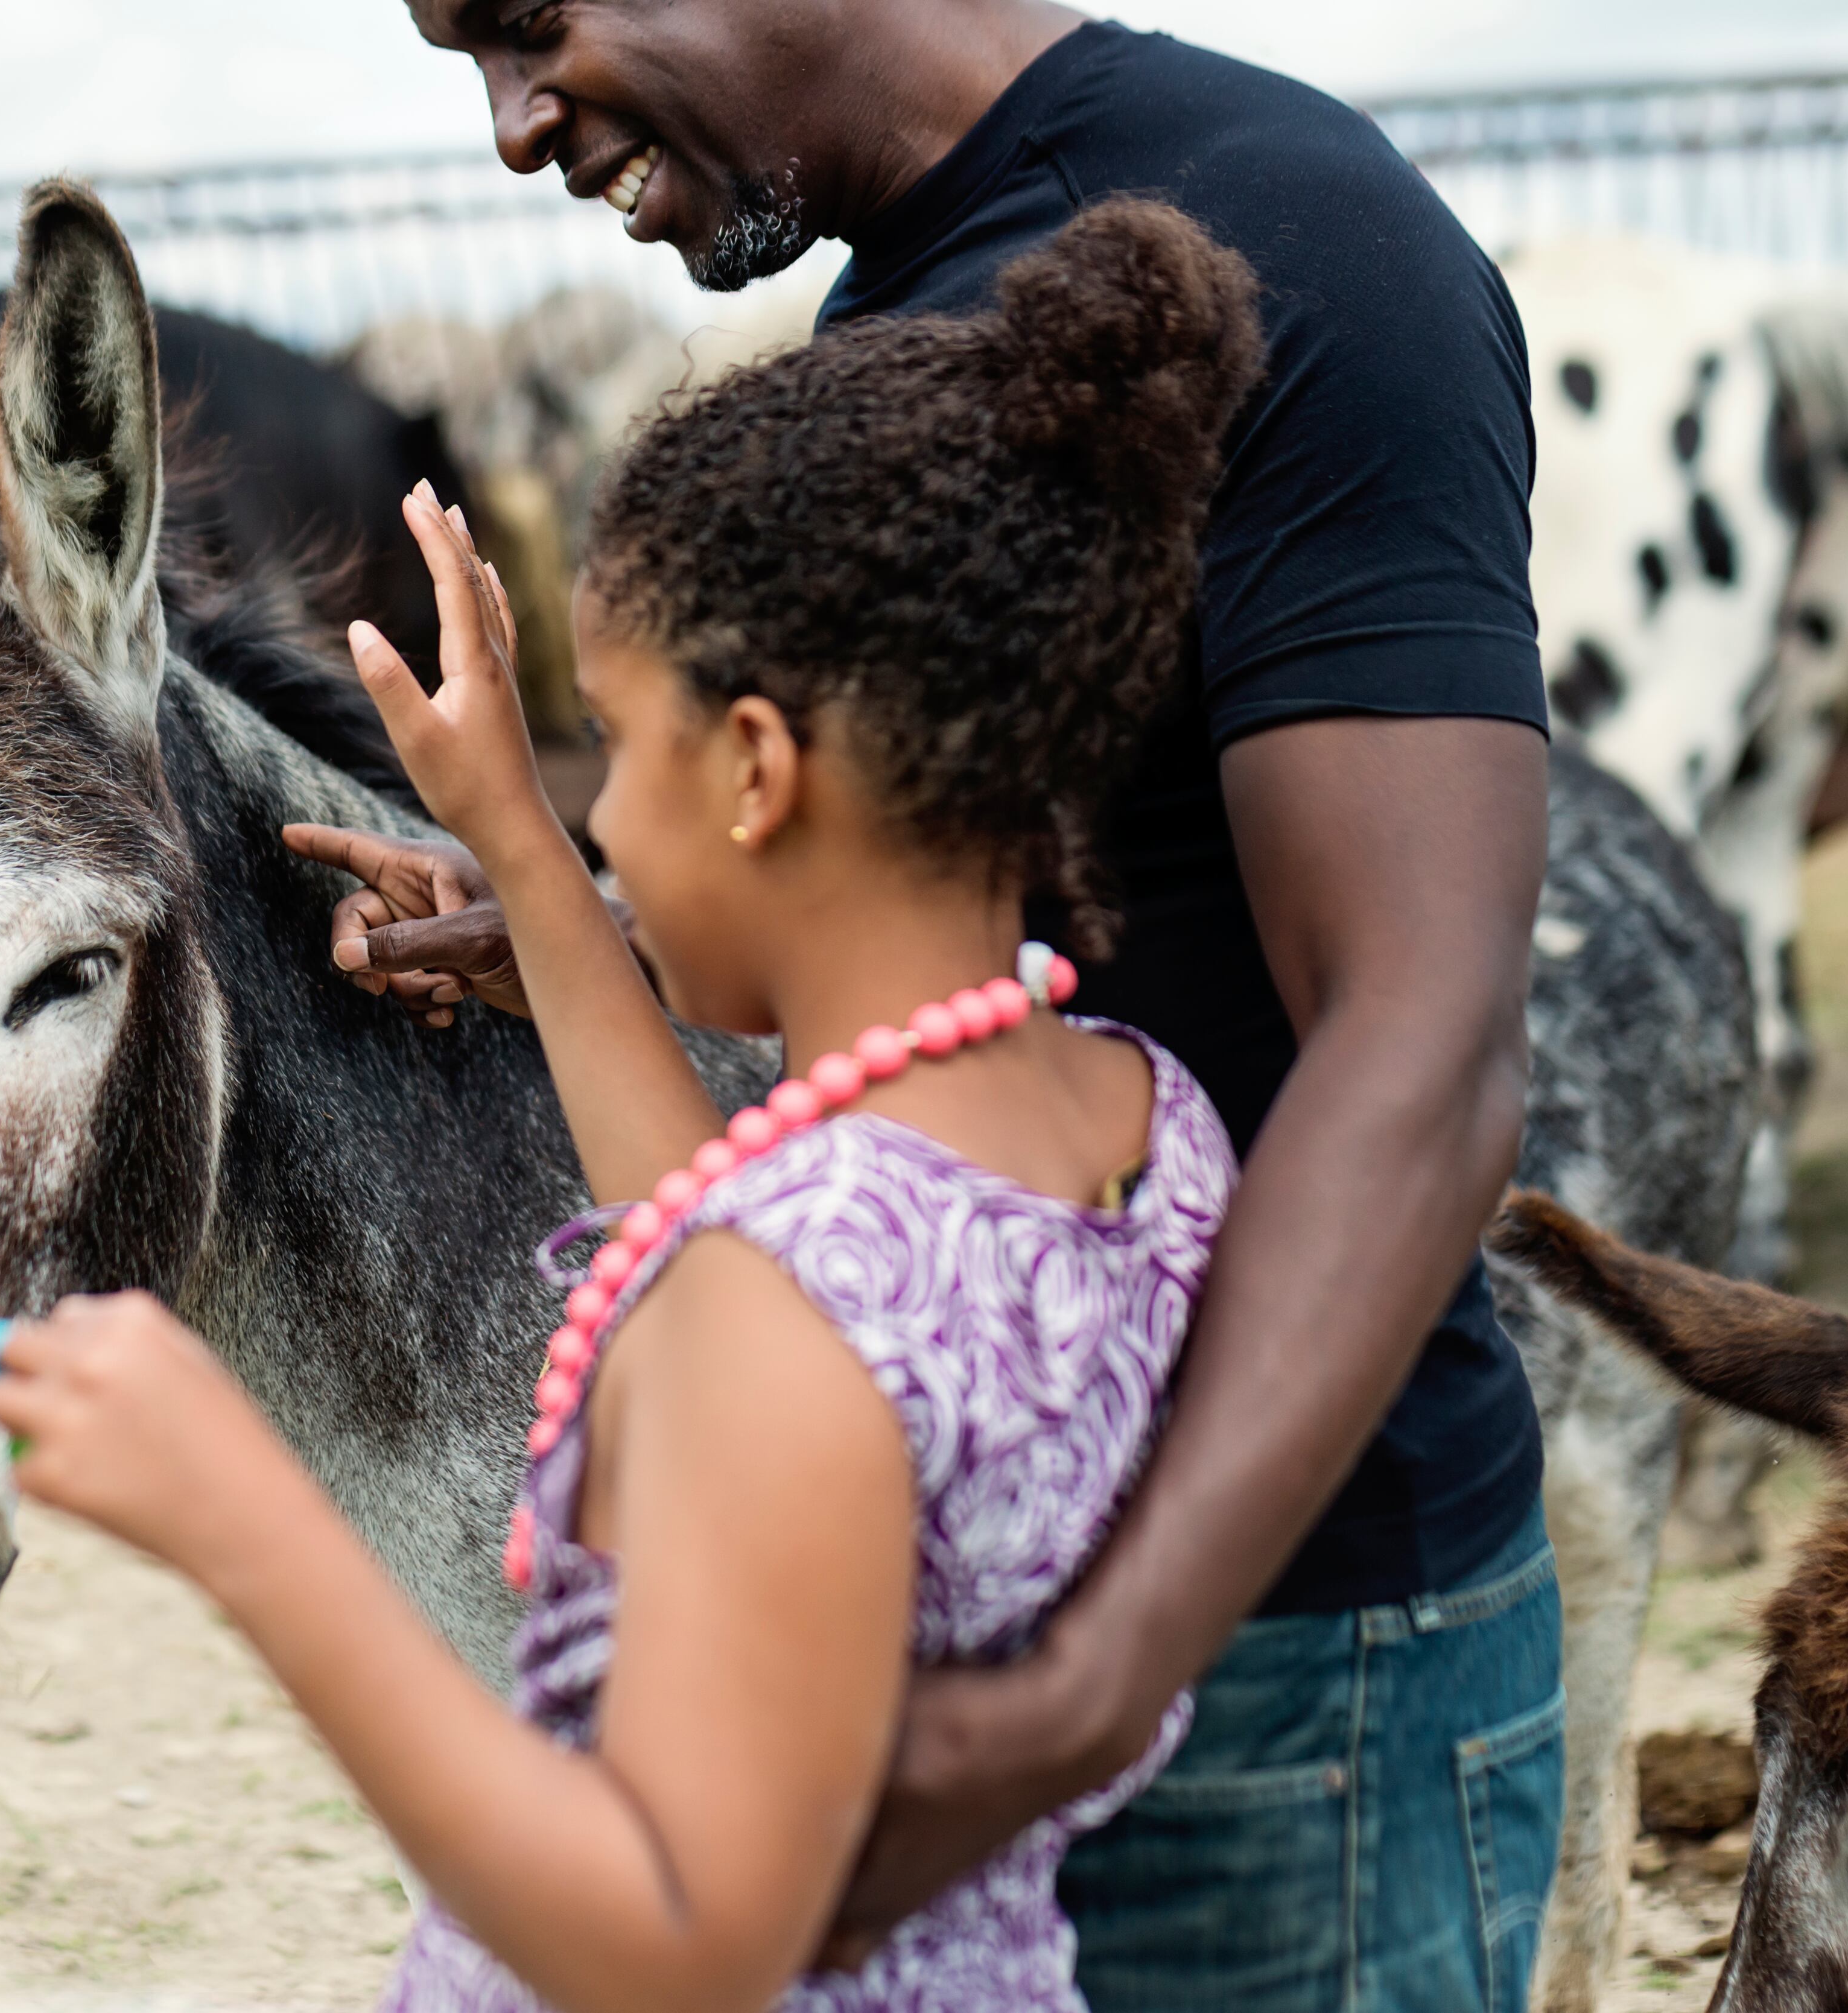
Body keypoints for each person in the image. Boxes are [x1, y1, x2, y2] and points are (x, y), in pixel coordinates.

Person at [316, 5, 1567, 2008]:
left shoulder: (1304, 241)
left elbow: (1423, 1044)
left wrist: (1092, 1684)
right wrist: (595, 908)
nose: (511, 128)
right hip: (996, 1655)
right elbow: (924, 968)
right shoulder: (895, 308)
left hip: (1266, 1678)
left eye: (524, 19)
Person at [0, 201, 1259, 2009]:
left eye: (624, 744)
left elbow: (682, 1943)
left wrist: (242, 1524)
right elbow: (740, 1264)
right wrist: (515, 832)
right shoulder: (1141, 1125)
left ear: (754, 768)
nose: (611, 818)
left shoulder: (785, 1309)